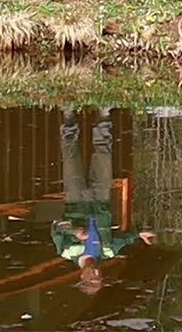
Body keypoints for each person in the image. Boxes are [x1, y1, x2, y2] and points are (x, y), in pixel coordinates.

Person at [51, 106, 156, 294]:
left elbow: (56, 227)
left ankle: (68, 114)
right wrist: (139, 234)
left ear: (82, 276)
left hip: (75, 200)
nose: (97, 273)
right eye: (99, 277)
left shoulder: (66, 251)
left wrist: (74, 230)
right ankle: (103, 115)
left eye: (92, 277)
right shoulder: (108, 251)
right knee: (104, 156)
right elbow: (125, 238)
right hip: (101, 200)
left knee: (70, 156)